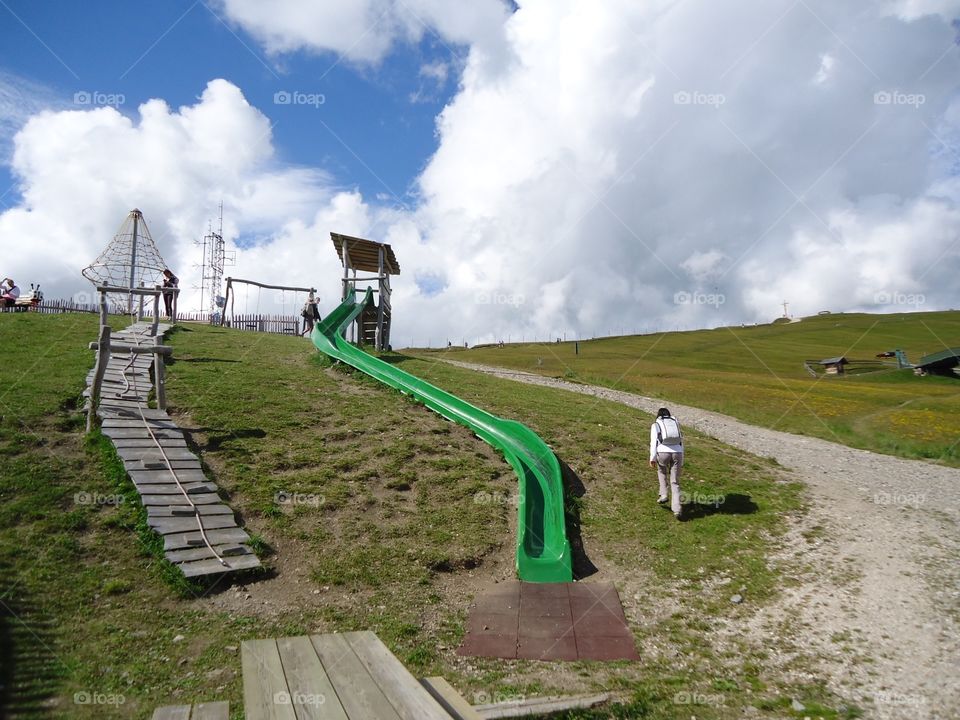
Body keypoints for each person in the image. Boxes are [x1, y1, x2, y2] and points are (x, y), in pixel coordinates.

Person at [649, 407, 684, 520]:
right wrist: (681, 458)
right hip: (677, 453)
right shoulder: (675, 423)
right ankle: (677, 509)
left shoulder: (656, 425)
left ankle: (663, 495)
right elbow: (681, 441)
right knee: (675, 482)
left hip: (663, 452)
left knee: (662, 472)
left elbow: (654, 442)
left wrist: (652, 458)